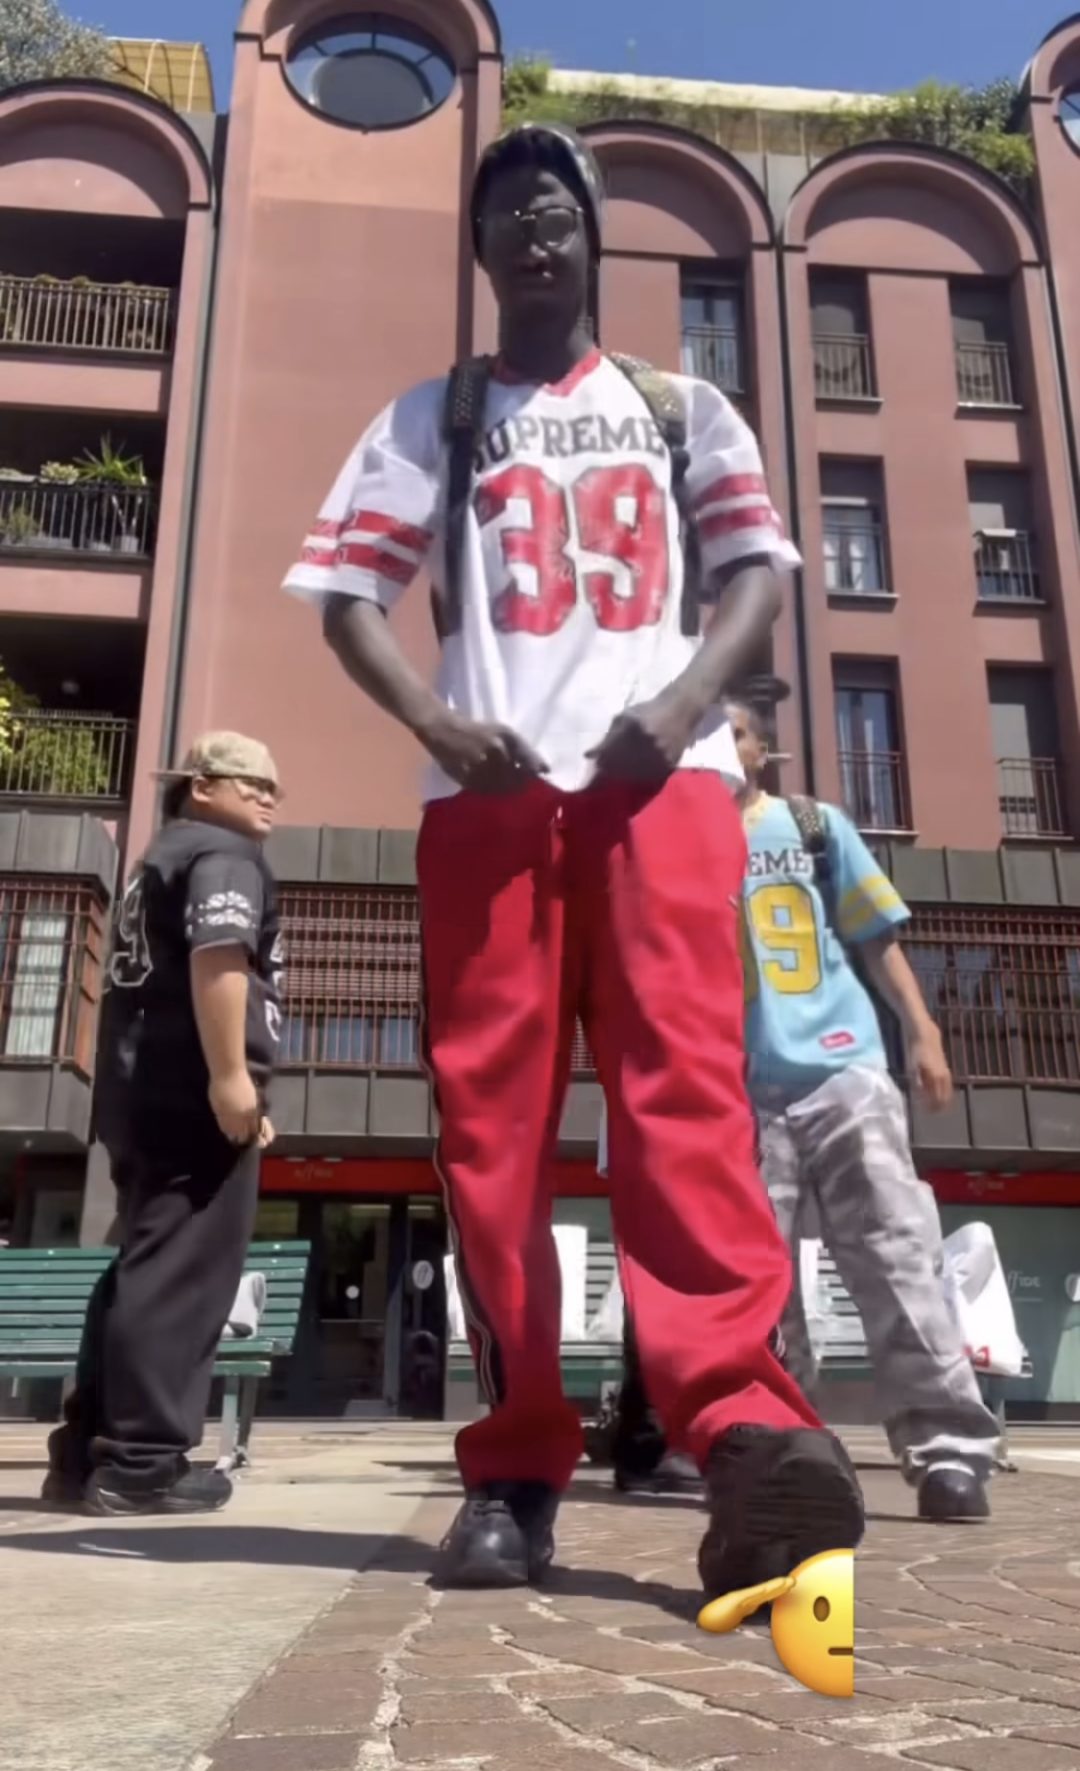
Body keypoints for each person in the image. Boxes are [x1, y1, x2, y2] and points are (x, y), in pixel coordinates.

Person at [284, 122, 864, 1598]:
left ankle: (746, 1434)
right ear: (480, 252)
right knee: (492, 1145)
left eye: (555, 212)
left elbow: (756, 577)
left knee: (687, 1111)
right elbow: (347, 597)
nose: (534, 235)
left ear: (592, 235)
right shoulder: (433, 415)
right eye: (507, 218)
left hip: (661, 790)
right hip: (487, 805)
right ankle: (516, 1466)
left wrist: (685, 704)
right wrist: (434, 718)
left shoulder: (684, 408)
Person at [724, 691, 999, 1519]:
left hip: (843, 1069)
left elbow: (878, 938)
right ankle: (786, 1443)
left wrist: (923, 1030)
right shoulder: (677, 843)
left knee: (895, 1252)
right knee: (757, 1285)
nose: (720, 750)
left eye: (735, 735)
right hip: (739, 1087)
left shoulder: (813, 826)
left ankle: (949, 1449)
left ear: (762, 751)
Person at [42, 734, 285, 1516]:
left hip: (141, 1091)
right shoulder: (223, 854)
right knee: (181, 1272)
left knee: (144, 1263)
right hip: (190, 1093)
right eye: (250, 781)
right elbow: (221, 954)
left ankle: (86, 1451)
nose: (268, 795)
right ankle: (141, 1461)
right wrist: (232, 1076)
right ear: (201, 785)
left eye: (274, 786)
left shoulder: (157, 862)